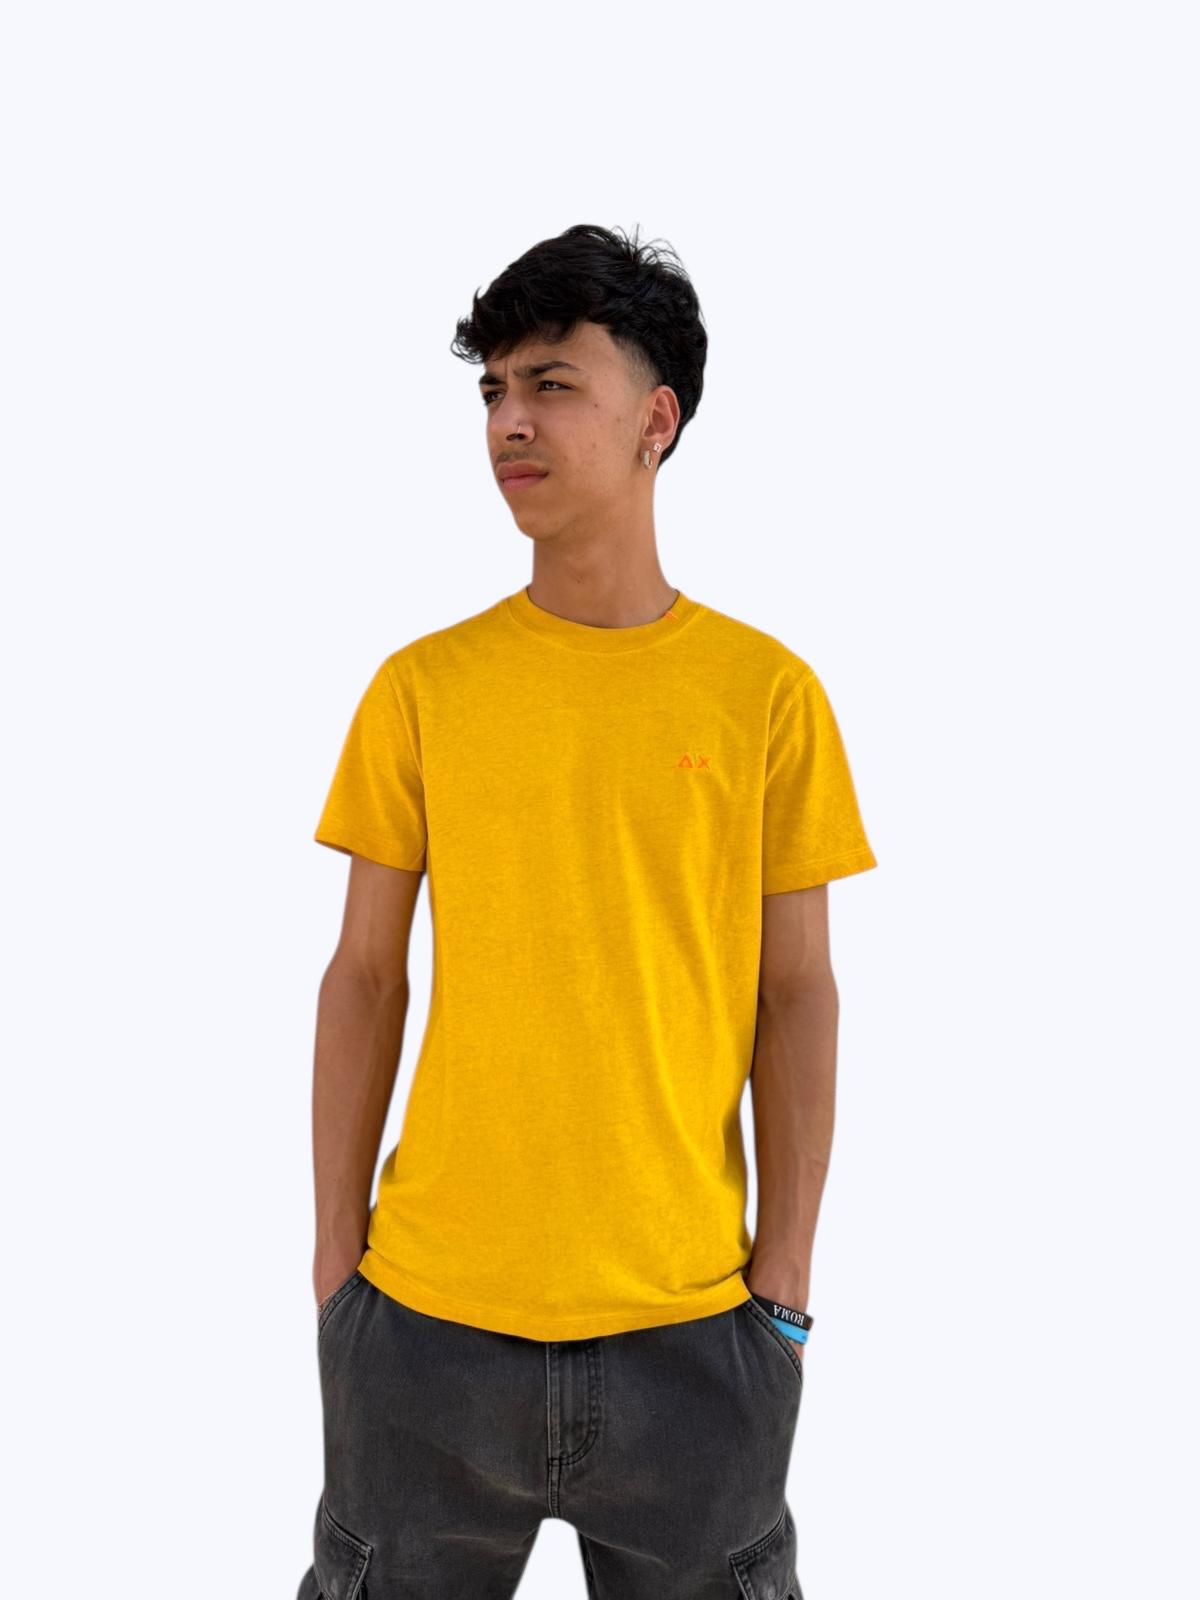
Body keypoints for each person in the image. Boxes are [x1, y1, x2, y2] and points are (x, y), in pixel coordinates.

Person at [297, 223, 877, 1600]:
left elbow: (797, 992)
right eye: (494, 390)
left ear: (655, 420)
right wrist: (336, 1267)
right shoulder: (421, 690)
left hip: (697, 1335)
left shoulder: (766, 697)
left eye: (552, 384)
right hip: (426, 1328)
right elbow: (364, 977)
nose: (511, 421)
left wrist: (786, 1286)